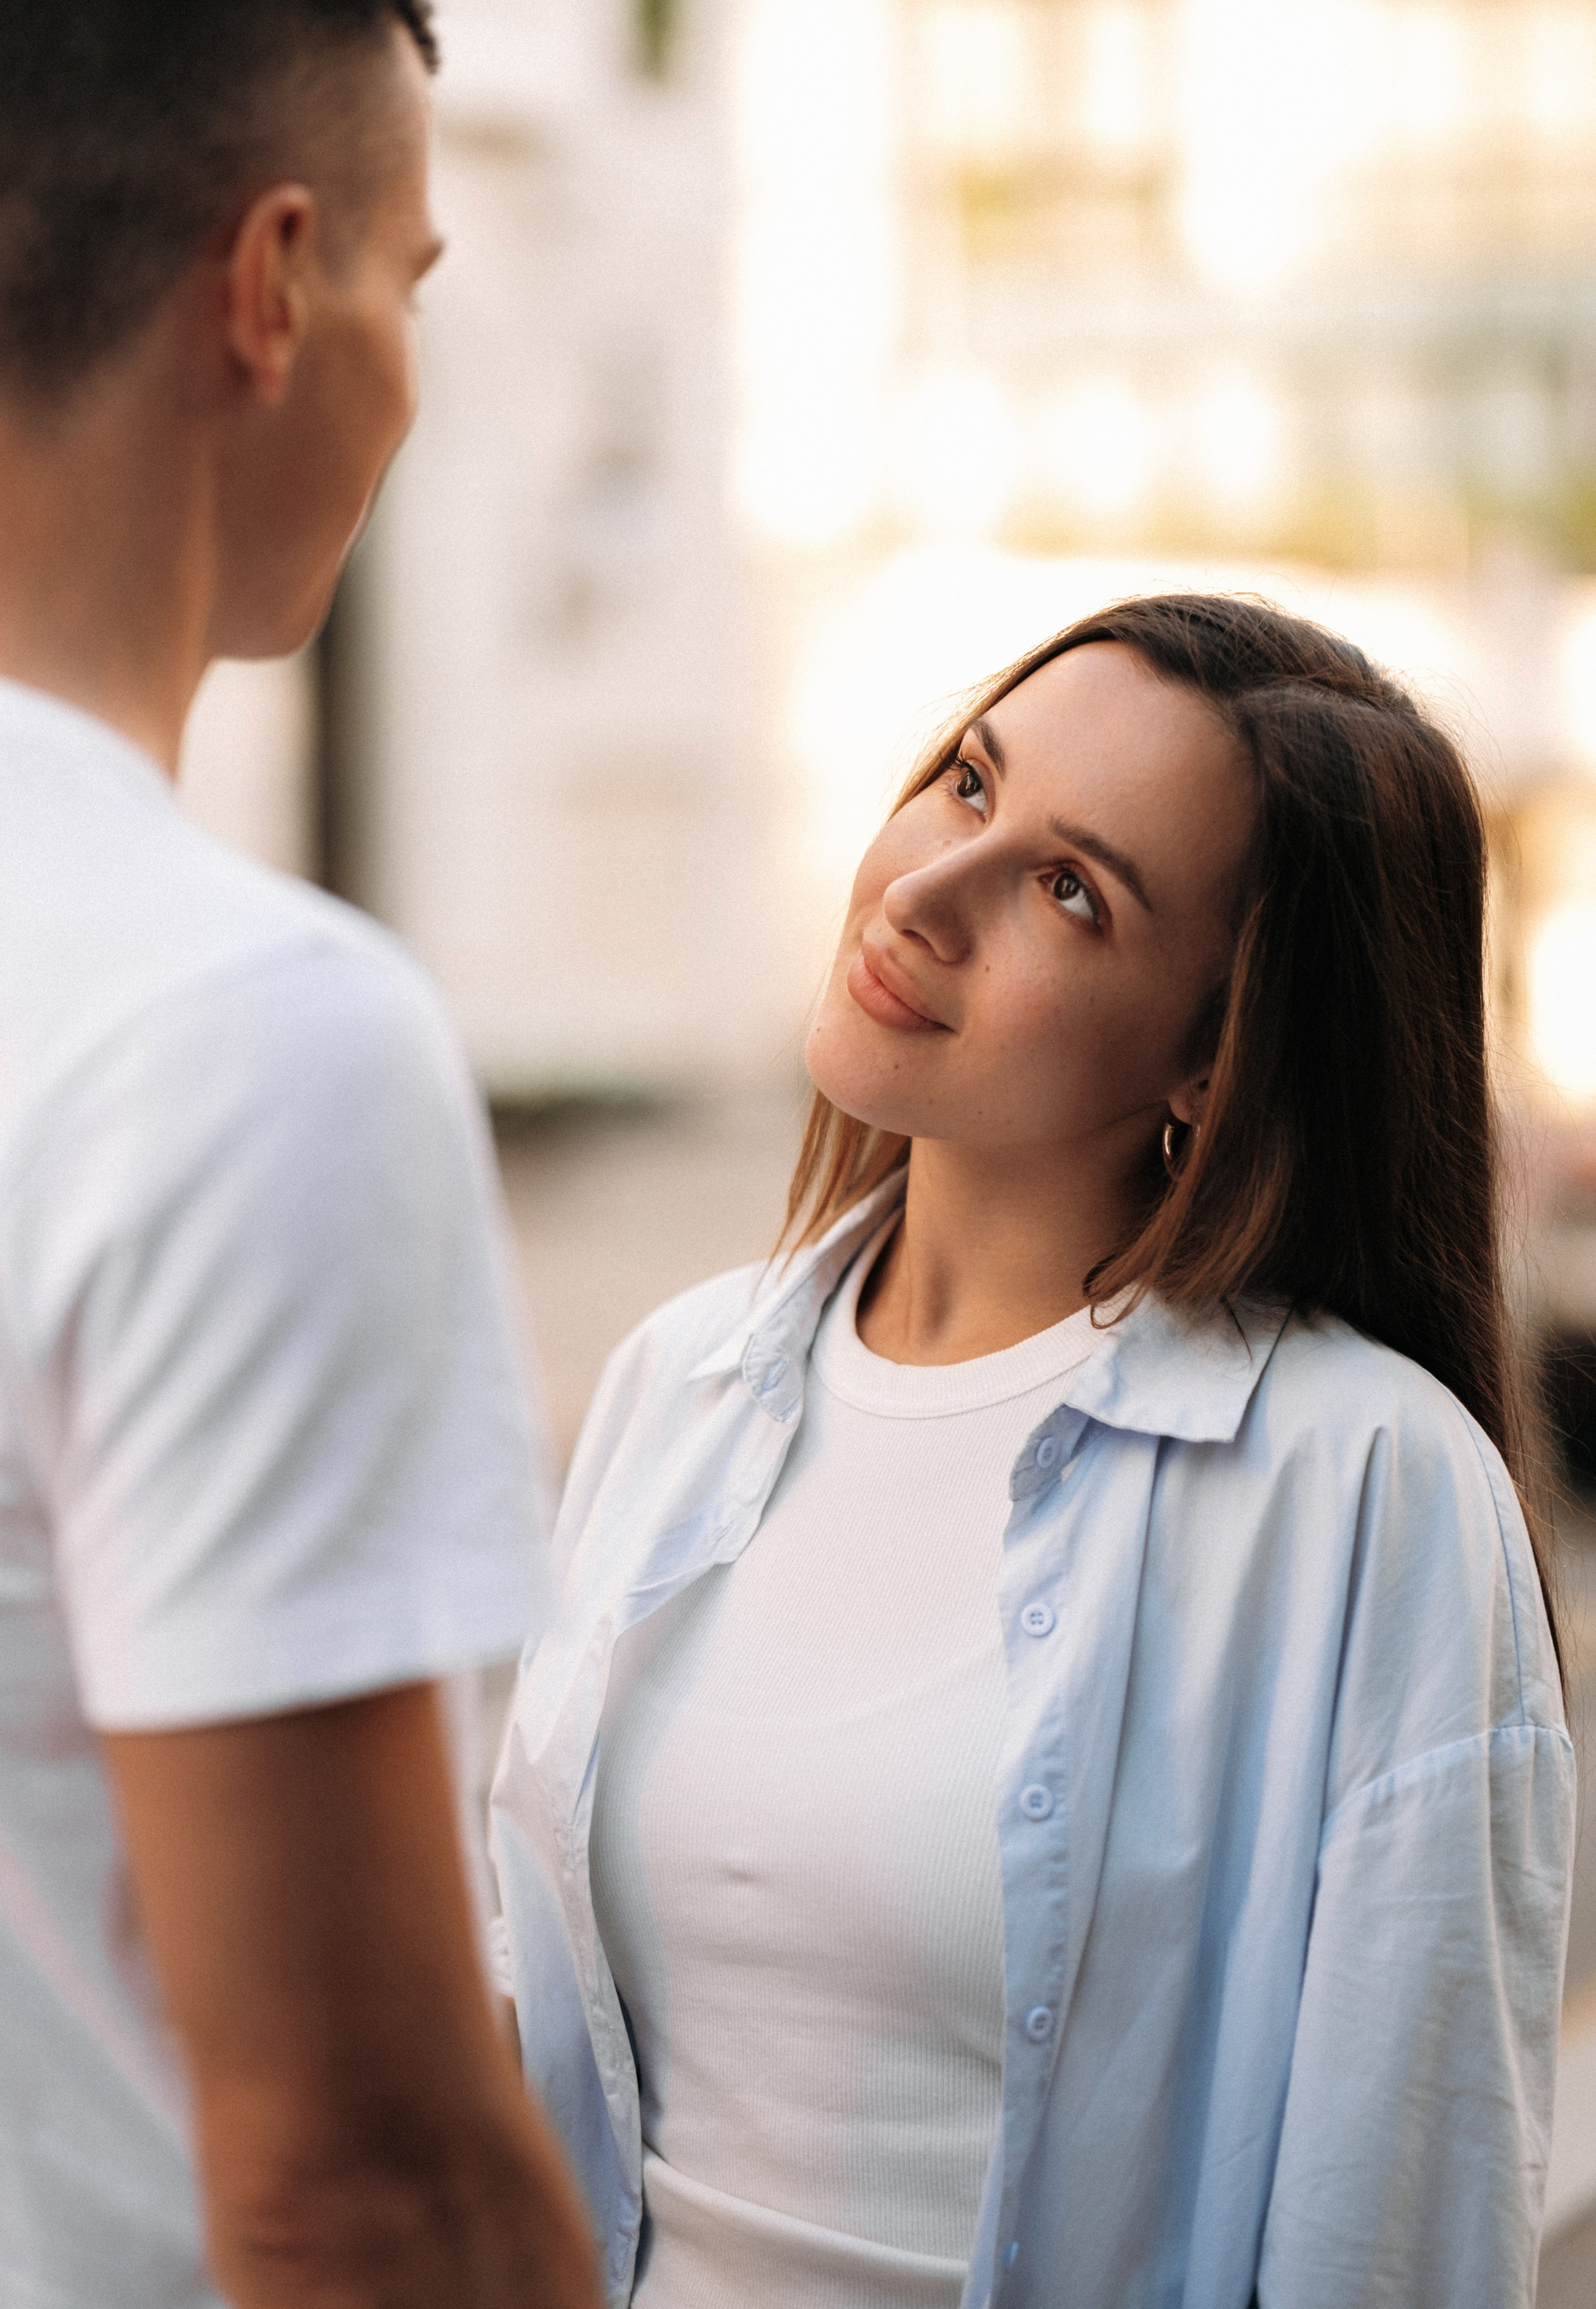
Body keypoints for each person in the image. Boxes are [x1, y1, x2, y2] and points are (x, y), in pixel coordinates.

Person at [491, 592, 1575, 2309]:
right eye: (970, 784)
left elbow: (1403, 2220)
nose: (926, 891)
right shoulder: (677, 1384)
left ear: (1217, 1054)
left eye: (1072, 892)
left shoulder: (1362, 1488)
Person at [0, 4, 598, 2305]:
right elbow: (363, 2180)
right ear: (266, 289)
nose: (408, 371)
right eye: (410, 284)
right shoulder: (232, 1032)